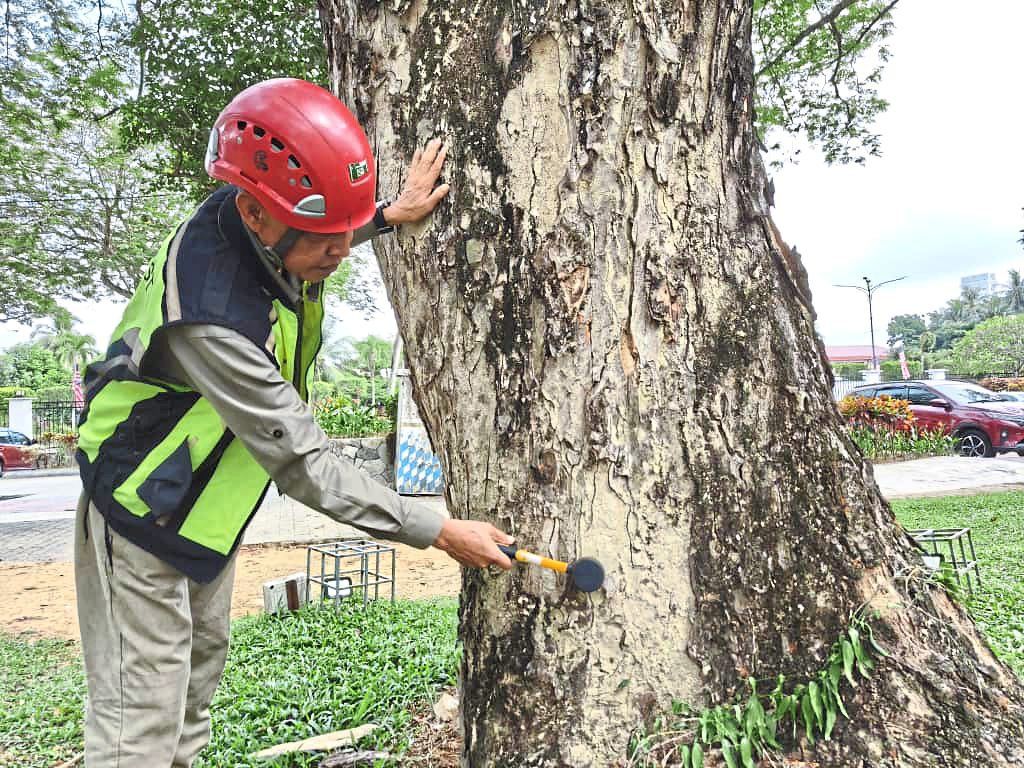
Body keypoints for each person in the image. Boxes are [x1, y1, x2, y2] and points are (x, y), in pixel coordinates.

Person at [73, 78, 513, 768]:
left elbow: (314, 237)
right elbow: (305, 462)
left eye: (349, 233)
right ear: (256, 214)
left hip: (202, 512)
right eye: (326, 243)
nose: (339, 257)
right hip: (141, 510)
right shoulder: (214, 318)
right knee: (141, 724)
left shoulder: (258, 224)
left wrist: (386, 217)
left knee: (192, 694)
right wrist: (439, 530)